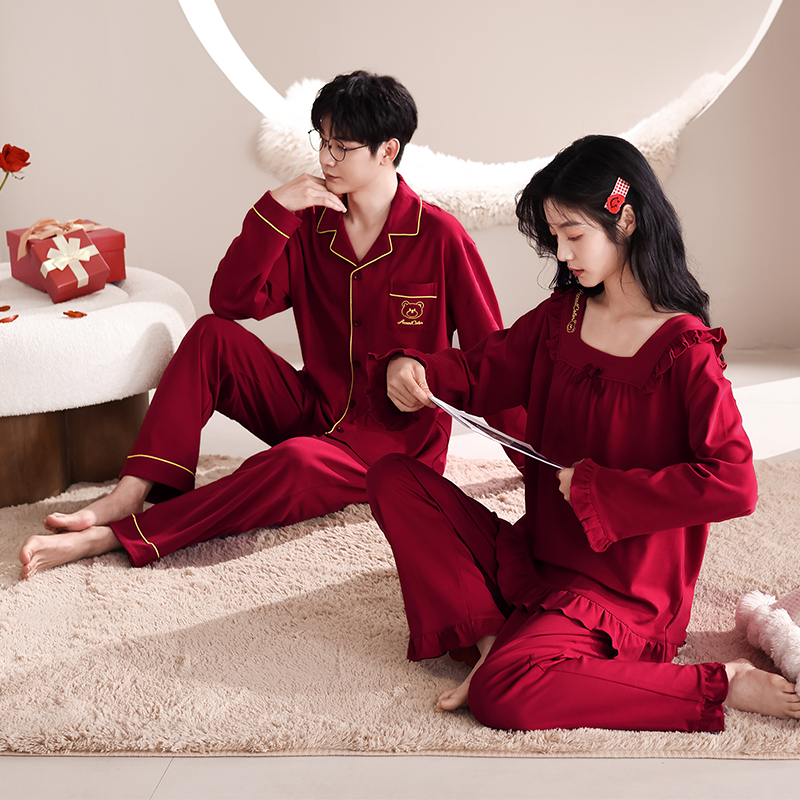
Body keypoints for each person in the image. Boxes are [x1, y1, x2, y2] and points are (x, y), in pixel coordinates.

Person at [366, 134, 800, 731]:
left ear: (626, 220)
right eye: (555, 236)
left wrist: (605, 492)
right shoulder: (561, 317)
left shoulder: (685, 350)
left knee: (505, 694)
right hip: (538, 557)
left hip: (622, 596)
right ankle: (495, 639)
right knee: (393, 478)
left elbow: (734, 483)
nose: (562, 253)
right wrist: (413, 368)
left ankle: (720, 684)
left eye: (573, 235)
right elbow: (479, 371)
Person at [20, 70, 522, 578]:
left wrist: (539, 466)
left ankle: (125, 535)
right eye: (322, 141)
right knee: (210, 335)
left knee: (296, 463)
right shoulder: (309, 224)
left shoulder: (440, 237)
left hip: (392, 446)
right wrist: (274, 210)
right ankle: (131, 493)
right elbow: (232, 302)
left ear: (387, 151)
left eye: (341, 146)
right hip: (313, 407)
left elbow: (493, 362)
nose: (325, 159)